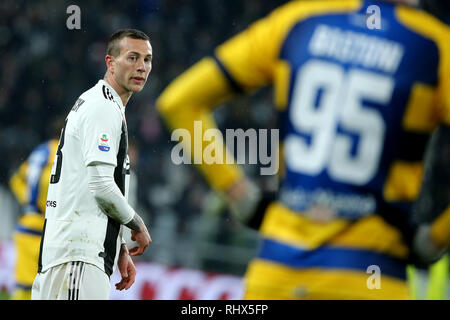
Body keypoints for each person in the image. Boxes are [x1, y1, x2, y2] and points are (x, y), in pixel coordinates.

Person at [157, 0, 450, 299]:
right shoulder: (436, 46)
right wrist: (434, 240)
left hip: (276, 273)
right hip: (369, 277)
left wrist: (240, 196)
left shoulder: (298, 20)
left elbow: (178, 103)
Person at [31, 29, 152, 300]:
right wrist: (136, 224)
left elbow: (89, 188)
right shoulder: (103, 108)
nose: (141, 67)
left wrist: (117, 245)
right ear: (110, 62)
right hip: (77, 258)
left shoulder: (102, 104)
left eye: (147, 59)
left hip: (76, 254)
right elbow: (101, 186)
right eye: (132, 58)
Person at [9, 138, 58, 300]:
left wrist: (28, 201)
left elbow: (16, 180)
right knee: (45, 289)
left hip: (26, 224)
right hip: (44, 228)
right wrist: (46, 208)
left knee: (24, 286)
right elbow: (48, 184)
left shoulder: (40, 151)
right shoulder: (60, 151)